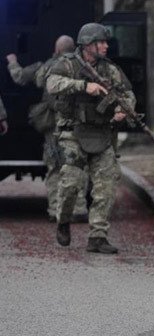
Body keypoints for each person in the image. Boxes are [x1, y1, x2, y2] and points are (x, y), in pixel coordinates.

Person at [46, 23, 135, 254]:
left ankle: (97, 235)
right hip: (73, 133)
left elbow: (128, 93)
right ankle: (63, 221)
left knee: (106, 184)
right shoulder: (67, 64)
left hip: (102, 134)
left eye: (106, 42)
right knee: (71, 183)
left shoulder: (110, 70)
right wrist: (84, 86)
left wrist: (123, 110)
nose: (106, 46)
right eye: (101, 42)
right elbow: (52, 84)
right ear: (87, 45)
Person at [6, 36, 89, 223]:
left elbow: (19, 77)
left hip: (54, 127)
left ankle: (56, 210)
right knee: (78, 167)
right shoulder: (84, 67)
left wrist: (12, 62)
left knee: (55, 168)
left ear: (56, 49)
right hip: (79, 126)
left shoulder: (47, 66)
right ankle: (79, 208)